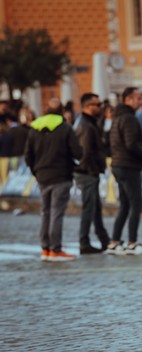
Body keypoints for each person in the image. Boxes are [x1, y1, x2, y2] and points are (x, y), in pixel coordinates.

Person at [24, 98, 82, 261]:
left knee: (45, 212)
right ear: (62, 111)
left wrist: (36, 170)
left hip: (42, 175)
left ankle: (45, 249)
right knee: (56, 212)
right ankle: (55, 249)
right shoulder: (65, 128)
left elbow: (28, 155)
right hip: (61, 174)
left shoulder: (34, 128)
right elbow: (77, 152)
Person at [106, 87, 142, 255]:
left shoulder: (117, 117)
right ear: (127, 99)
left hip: (118, 164)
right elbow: (131, 144)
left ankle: (115, 241)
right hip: (128, 166)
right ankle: (132, 242)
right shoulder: (129, 118)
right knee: (136, 205)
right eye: (137, 98)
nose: (140, 101)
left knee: (125, 205)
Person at [73, 93, 111, 254]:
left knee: (95, 208)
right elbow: (85, 152)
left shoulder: (90, 123)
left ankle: (104, 239)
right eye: (97, 104)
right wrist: (91, 170)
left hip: (89, 171)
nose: (100, 107)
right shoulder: (86, 125)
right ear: (88, 106)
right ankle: (84, 241)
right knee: (89, 208)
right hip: (86, 172)